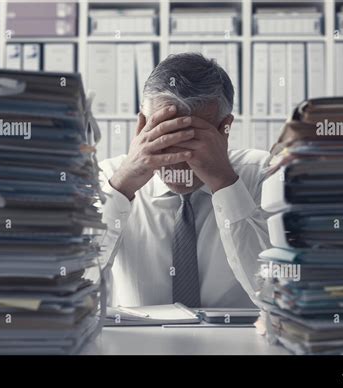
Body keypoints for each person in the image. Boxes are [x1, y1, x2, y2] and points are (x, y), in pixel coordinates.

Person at [98, 53, 270, 308]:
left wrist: (225, 183)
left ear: (225, 128)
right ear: (142, 127)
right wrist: (122, 188)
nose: (177, 159)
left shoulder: (260, 174)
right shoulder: (108, 178)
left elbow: (273, 294)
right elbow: (73, 283)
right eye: (165, 136)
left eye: (192, 140)